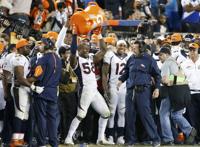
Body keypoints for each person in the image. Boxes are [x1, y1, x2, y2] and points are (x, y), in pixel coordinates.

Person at [64, 26, 112, 145]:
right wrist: (75, 35)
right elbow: (73, 51)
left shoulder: (91, 57)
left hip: (94, 90)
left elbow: (104, 50)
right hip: (85, 89)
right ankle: (68, 138)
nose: (86, 50)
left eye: (88, 48)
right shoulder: (75, 59)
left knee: (106, 113)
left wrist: (99, 35)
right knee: (81, 114)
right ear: (79, 49)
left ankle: (100, 138)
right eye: (84, 48)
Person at [117, 40, 161, 147]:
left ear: (141, 48)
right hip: (130, 91)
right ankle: (131, 141)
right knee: (130, 116)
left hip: (143, 91)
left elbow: (157, 75)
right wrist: (120, 80)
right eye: (132, 47)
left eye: (135, 47)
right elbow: (127, 71)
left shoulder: (149, 59)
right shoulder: (131, 58)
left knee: (146, 116)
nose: (132, 49)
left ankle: (155, 139)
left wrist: (157, 88)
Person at [27, 38, 62, 147]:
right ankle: (54, 143)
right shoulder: (58, 58)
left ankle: (41, 143)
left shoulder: (43, 59)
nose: (39, 46)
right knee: (52, 119)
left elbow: (36, 77)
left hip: (42, 92)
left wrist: (24, 81)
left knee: (41, 118)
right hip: (53, 92)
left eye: (42, 44)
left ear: (47, 46)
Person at [9, 39, 43, 147]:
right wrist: (33, 87)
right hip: (19, 88)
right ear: (20, 48)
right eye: (27, 47)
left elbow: (25, 77)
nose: (29, 49)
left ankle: (20, 140)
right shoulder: (18, 58)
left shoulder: (24, 58)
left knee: (25, 115)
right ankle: (15, 141)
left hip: (24, 89)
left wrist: (34, 77)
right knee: (19, 114)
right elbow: (19, 78)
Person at [102, 40, 128, 144]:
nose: (122, 47)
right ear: (116, 46)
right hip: (113, 86)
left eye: (124, 45)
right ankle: (110, 135)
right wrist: (105, 88)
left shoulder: (129, 57)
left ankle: (120, 136)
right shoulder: (110, 55)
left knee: (122, 112)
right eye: (120, 45)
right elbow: (104, 73)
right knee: (112, 113)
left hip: (124, 86)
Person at [181, 43, 200, 144]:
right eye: (190, 50)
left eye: (194, 50)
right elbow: (178, 77)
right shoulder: (184, 64)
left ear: (198, 50)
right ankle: (196, 139)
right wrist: (170, 78)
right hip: (191, 93)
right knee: (193, 118)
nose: (192, 52)